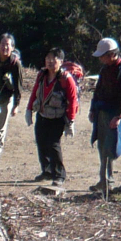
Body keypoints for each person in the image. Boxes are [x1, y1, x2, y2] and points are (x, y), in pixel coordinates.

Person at [88, 37, 121, 194]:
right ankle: (104, 181)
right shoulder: (104, 69)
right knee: (102, 148)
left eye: (103, 55)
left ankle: (108, 181)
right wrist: (92, 109)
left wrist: (119, 116)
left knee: (111, 148)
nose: (101, 59)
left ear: (112, 54)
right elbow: (98, 91)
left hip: (115, 115)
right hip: (102, 112)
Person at [26, 48, 78, 186]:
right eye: (47, 58)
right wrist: (29, 109)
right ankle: (47, 171)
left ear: (61, 61)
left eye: (53, 59)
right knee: (41, 143)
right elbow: (34, 92)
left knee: (53, 145)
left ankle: (59, 175)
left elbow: (73, 100)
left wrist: (71, 120)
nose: (49, 61)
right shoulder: (42, 75)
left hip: (58, 117)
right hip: (42, 115)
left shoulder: (66, 79)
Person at [0, 34, 23, 164]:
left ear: (12, 48)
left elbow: (19, 86)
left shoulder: (15, 64)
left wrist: (16, 105)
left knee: (0, 127)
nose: (5, 47)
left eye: (8, 45)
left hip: (5, 98)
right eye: (2, 44)